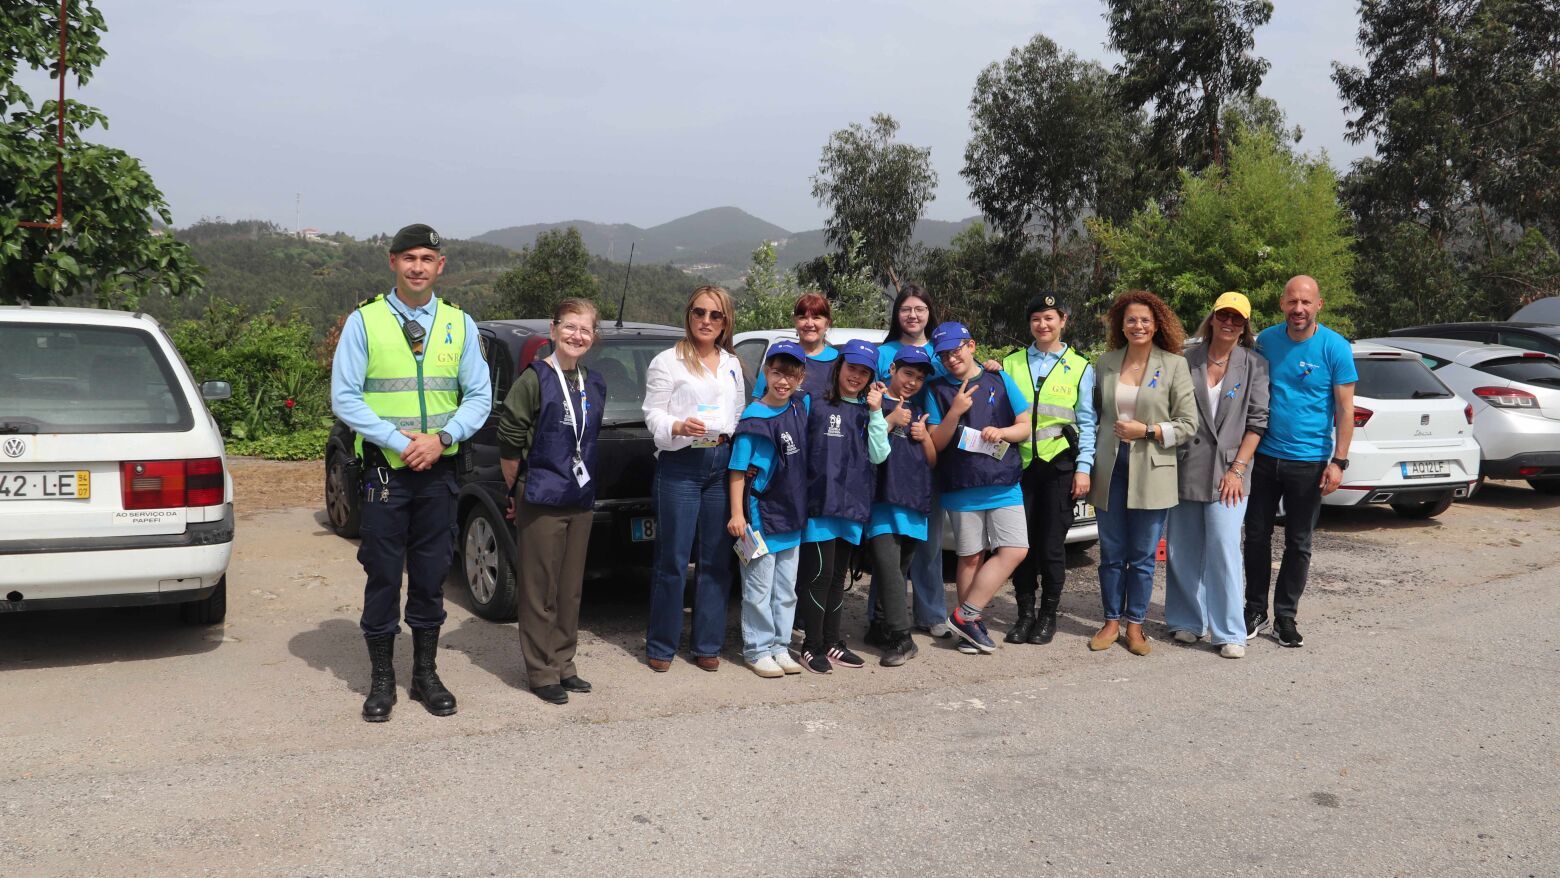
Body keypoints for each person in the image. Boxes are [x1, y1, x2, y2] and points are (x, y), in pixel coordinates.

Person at [329, 223, 492, 722]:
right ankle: (383, 680)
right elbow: (345, 397)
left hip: (438, 472)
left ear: (440, 266)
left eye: (427, 258)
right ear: (393, 263)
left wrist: (441, 439)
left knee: (429, 575)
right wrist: (402, 443)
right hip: (385, 473)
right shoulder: (366, 322)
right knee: (381, 573)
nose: (417, 266)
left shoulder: (459, 324)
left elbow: (480, 396)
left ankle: (424, 675)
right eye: (408, 258)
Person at [497, 298, 605, 704]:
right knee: (539, 589)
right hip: (541, 496)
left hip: (579, 496)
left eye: (585, 329)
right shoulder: (535, 378)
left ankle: (564, 663)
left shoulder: (594, 382)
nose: (577, 335)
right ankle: (541, 671)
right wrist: (515, 490)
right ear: (554, 329)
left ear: (594, 337)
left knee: (569, 589)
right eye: (570, 327)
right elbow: (509, 441)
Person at [1243, 275, 1356, 648]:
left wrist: (1338, 461)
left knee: (1299, 542)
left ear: (1319, 305)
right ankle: (1254, 610)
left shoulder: (1335, 348)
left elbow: (1344, 409)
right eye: (1292, 302)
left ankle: (1285, 617)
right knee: (1256, 536)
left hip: (1309, 463)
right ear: (1282, 304)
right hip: (1264, 457)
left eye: (1306, 302)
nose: (1299, 309)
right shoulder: (1267, 342)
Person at [642, 285, 747, 672]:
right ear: (688, 315)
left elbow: (738, 412)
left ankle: (707, 644)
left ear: (725, 322)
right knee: (672, 559)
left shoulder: (732, 363)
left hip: (722, 464)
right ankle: (661, 645)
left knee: (717, 560)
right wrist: (678, 424)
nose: (706, 321)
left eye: (715, 315)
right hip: (682, 465)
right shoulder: (667, 361)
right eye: (699, 313)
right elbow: (652, 415)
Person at [1088, 290, 1198, 657]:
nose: (1138, 325)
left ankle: (1135, 626)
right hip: (1110, 468)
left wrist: (1147, 431)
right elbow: (1096, 417)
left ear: (1157, 325)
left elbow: (1188, 425)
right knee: (1112, 551)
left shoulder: (1174, 365)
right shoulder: (1105, 363)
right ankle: (1110, 621)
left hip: (1153, 469)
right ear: (1121, 324)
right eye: (1131, 319)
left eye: (1145, 320)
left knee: (1143, 555)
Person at [1164, 292, 1270, 659]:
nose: (1229, 323)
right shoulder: (1184, 359)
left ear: (1244, 327)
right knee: (1182, 548)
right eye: (1223, 315)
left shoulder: (1254, 365)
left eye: (1237, 319)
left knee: (1224, 548)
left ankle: (1229, 632)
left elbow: (1257, 423)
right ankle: (1186, 620)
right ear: (1211, 318)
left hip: (1230, 472)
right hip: (1185, 464)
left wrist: (1238, 469)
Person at [926, 322, 1032, 654]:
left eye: (955, 351)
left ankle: (965, 615)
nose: (950, 359)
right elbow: (935, 443)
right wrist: (955, 413)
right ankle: (970, 627)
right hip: (961, 485)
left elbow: (1025, 426)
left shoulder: (998, 378)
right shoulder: (936, 389)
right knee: (970, 557)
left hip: (1003, 481)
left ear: (971, 345)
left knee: (1015, 549)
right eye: (943, 355)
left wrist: (1001, 433)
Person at [1000, 292, 1097, 646]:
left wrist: (1084, 469)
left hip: (1059, 467)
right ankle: (1024, 614)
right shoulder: (1011, 364)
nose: (1043, 325)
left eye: (1050, 318)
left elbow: (1088, 423)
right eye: (1036, 319)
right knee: (1020, 544)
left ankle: (1048, 615)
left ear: (1063, 321)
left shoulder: (1081, 366)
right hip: (1019, 468)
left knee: (1053, 547)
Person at [796, 339, 891, 673]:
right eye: (852, 368)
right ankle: (811, 644)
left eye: (864, 372)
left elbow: (880, 454)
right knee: (818, 577)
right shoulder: (812, 402)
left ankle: (833, 642)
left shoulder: (869, 412)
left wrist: (879, 411)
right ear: (839, 367)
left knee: (839, 579)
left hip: (852, 507)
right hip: (819, 505)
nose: (856, 376)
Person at [872, 283, 952, 639]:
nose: (913, 315)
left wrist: (989, 365)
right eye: (906, 309)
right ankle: (882, 619)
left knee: (927, 545)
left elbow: (964, 371)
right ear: (897, 314)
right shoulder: (883, 351)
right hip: (888, 460)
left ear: (929, 313)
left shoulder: (941, 349)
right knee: (887, 550)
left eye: (920, 309)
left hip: (925, 453)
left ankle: (931, 613)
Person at [726, 340, 811, 678]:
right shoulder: (753, 418)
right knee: (758, 589)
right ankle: (756, 649)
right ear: (765, 372)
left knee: (786, 589)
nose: (783, 381)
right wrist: (737, 514)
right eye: (777, 372)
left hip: (792, 515)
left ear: (801, 377)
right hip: (760, 517)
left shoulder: (798, 407)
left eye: (791, 375)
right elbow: (736, 470)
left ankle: (779, 645)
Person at [862, 346, 939, 666]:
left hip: (915, 500)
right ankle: (902, 637)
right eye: (908, 374)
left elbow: (933, 461)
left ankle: (880, 625)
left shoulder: (922, 408)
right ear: (892, 369)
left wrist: (925, 438)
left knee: (898, 570)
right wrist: (890, 419)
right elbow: (866, 448)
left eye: (919, 378)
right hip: (882, 499)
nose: (912, 382)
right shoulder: (875, 400)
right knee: (889, 569)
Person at [751, 291, 838, 402]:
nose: (809, 323)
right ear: (795, 321)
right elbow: (757, 401)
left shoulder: (839, 362)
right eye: (803, 317)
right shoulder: (780, 355)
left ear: (827, 323)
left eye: (816, 317)